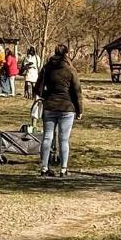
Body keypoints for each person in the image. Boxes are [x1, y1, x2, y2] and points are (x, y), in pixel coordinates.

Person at [34, 44, 83, 177]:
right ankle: (63, 168)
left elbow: (37, 87)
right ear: (66, 54)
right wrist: (79, 110)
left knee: (47, 137)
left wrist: (46, 96)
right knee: (64, 139)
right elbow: (77, 92)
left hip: (50, 106)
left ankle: (44, 167)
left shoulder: (47, 68)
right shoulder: (70, 70)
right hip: (67, 107)